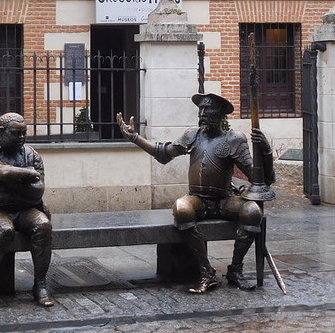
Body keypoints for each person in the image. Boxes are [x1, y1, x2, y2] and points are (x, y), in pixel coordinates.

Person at [116, 93, 274, 293]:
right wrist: (135, 138)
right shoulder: (193, 135)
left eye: (208, 109)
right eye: (200, 109)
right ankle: (207, 272)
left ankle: (235, 269)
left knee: (252, 211)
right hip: (198, 199)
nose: (202, 113)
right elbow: (162, 154)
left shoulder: (233, 140)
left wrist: (266, 151)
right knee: (182, 208)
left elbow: (260, 179)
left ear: (220, 113)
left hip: (224, 200)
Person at [0, 112, 55, 311]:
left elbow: (37, 192)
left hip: (25, 209)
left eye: (24, 133)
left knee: (43, 224)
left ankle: (40, 285)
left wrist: (8, 184)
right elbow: (1, 172)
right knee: (4, 229)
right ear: (1, 132)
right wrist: (28, 175)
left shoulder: (31, 154)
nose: (22, 138)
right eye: (16, 134)